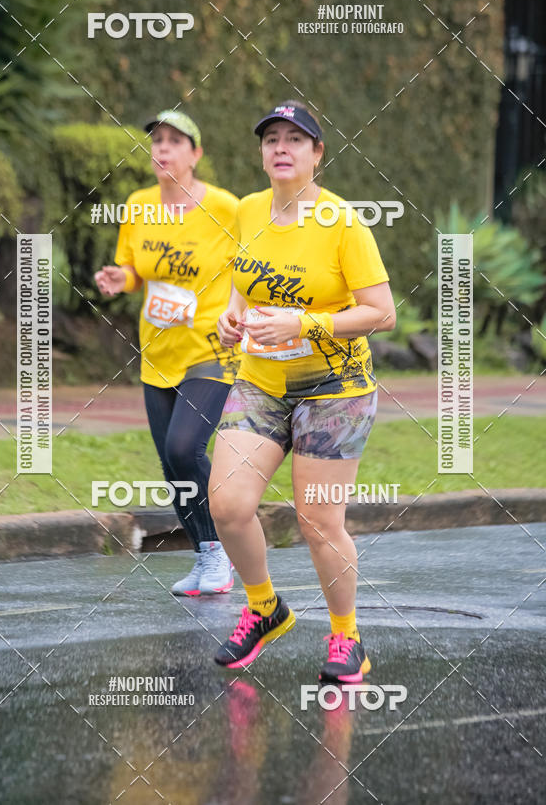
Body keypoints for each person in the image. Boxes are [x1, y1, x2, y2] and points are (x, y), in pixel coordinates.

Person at [208, 100, 396, 680]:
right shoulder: (246, 211)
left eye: (296, 139)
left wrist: (305, 323)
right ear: (262, 154)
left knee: (317, 521)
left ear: (318, 154)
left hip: (334, 385)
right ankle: (264, 608)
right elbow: (246, 282)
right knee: (229, 504)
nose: (281, 148)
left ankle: (347, 639)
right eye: (271, 140)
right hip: (262, 379)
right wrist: (231, 316)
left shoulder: (342, 222)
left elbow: (381, 312)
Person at [95, 110, 239, 596]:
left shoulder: (226, 207)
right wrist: (122, 279)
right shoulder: (137, 206)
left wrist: (248, 316)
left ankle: (222, 549)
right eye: (157, 140)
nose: (162, 149)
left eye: (175, 141)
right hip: (158, 351)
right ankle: (207, 557)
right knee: (170, 464)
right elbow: (134, 269)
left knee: (185, 448)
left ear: (196, 154)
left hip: (211, 348)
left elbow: (257, 264)